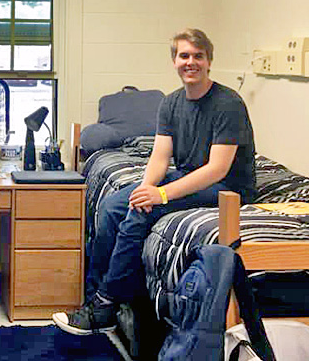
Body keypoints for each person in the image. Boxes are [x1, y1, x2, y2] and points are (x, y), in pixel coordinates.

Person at [52, 28, 256, 335]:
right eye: (184, 55)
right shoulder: (171, 103)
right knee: (112, 206)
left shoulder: (228, 103)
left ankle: (105, 305)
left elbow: (216, 169)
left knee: (140, 212)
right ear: (174, 60)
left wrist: (160, 196)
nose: (191, 62)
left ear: (209, 61)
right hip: (189, 177)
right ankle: (92, 300)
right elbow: (160, 157)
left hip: (227, 187)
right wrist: (145, 189)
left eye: (198, 56)